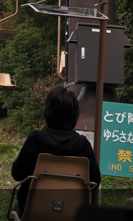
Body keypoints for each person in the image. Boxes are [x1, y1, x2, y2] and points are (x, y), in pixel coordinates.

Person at [11, 86, 101, 218]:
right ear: (75, 115)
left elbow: (17, 174)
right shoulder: (83, 145)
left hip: (32, 212)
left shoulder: (35, 140)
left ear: (48, 112)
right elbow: (95, 181)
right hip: (72, 214)